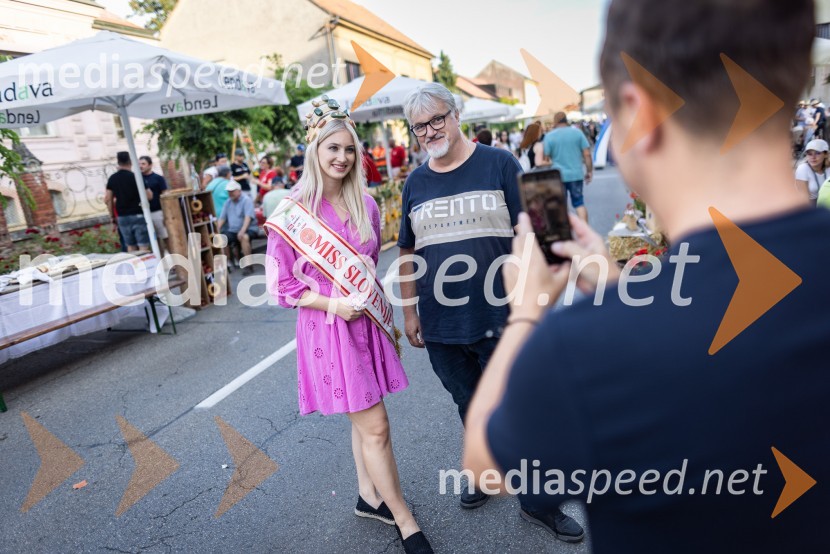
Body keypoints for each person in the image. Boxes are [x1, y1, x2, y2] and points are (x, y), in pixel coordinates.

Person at [463, 1, 827, 552]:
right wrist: (616, 289)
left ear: (640, 112)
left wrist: (526, 310)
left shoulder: (583, 348)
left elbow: (486, 466)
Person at [397, 82, 584, 543]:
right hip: (441, 324)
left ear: (456, 114)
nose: (429, 131)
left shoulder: (500, 163)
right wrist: (409, 311)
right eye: (420, 126)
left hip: (501, 315)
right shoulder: (415, 183)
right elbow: (406, 248)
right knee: (471, 405)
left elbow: (541, 227)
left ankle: (539, 500)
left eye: (437, 119)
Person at [265, 100, 433, 554]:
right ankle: (404, 519)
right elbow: (282, 287)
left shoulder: (367, 204)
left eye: (349, 149)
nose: (342, 157)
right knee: (375, 425)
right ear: (314, 150)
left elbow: (368, 262)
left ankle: (368, 495)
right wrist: (333, 303)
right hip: (329, 327)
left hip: (364, 323)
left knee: (365, 418)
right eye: (332, 148)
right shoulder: (293, 212)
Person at [544, 111, 593, 222]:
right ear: (566, 120)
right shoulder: (577, 133)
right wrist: (589, 171)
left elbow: (546, 159)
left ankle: (566, 233)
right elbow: (587, 154)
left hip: (558, 176)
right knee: (579, 203)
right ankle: (585, 232)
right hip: (576, 174)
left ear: (555, 122)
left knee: (561, 206)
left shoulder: (549, 136)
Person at [105, 151, 152, 253]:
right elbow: (149, 196)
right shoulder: (136, 177)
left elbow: (108, 199)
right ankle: (147, 267)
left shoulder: (112, 179)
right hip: (138, 214)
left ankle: (136, 268)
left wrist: (112, 216)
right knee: (143, 247)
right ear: (130, 162)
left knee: (130, 247)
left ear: (118, 163)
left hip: (122, 217)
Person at [217, 181, 258, 275]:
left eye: (232, 191)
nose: (230, 193)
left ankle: (248, 266)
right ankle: (228, 263)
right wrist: (216, 230)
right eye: (229, 191)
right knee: (221, 238)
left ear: (239, 190)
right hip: (233, 230)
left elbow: (248, 218)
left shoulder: (246, 200)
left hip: (249, 228)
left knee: (244, 237)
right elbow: (222, 218)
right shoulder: (228, 202)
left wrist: (242, 231)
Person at [139, 156, 169, 256]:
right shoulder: (138, 179)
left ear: (150, 165)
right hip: (144, 213)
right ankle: (160, 263)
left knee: (165, 238)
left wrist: (166, 213)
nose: (141, 166)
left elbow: (165, 195)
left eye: (143, 164)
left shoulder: (158, 178)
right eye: (139, 164)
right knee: (154, 241)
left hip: (157, 212)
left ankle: (174, 263)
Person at [795, 139, 830, 203]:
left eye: (817, 153)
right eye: (809, 154)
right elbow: (804, 200)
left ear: (826, 154)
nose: (813, 157)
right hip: (811, 207)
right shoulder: (803, 169)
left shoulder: (828, 169)